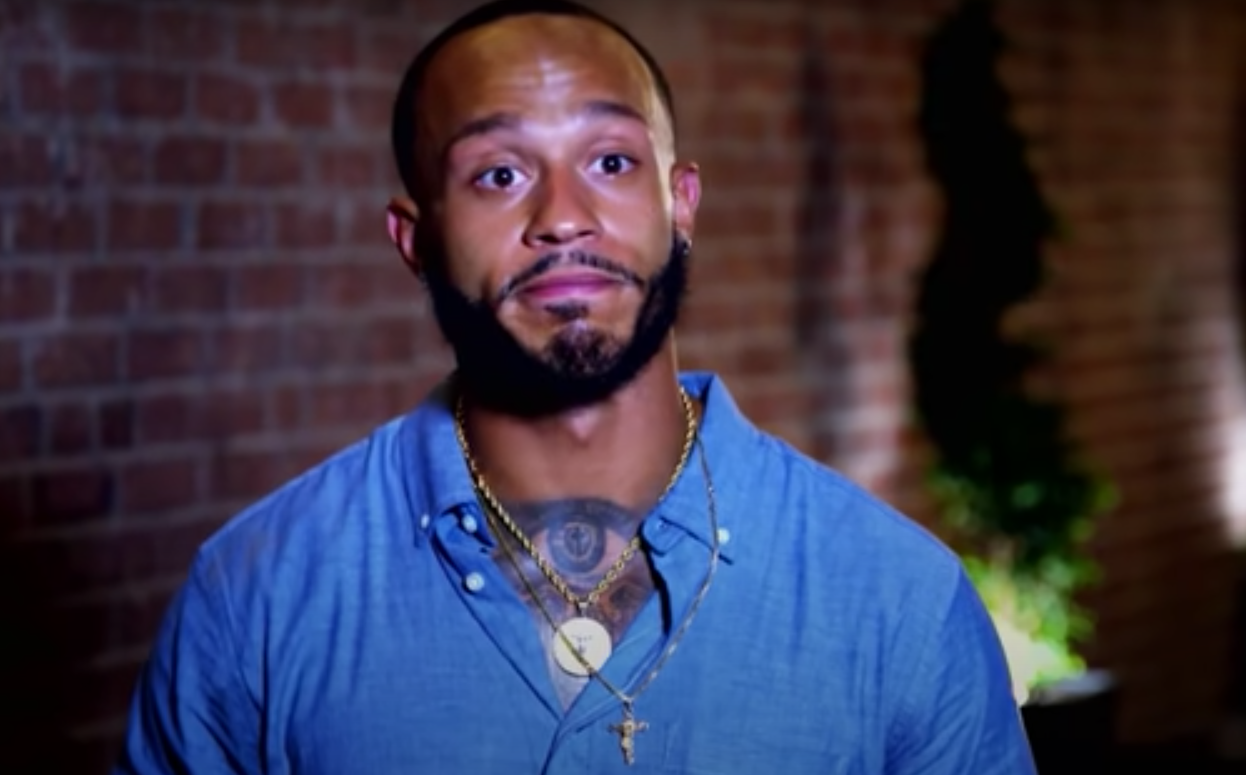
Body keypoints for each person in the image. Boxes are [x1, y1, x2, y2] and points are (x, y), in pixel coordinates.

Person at [113, 1, 1036, 772]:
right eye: (499, 173)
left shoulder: (900, 603)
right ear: (416, 238)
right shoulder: (259, 598)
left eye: (610, 162)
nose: (562, 217)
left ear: (681, 204)